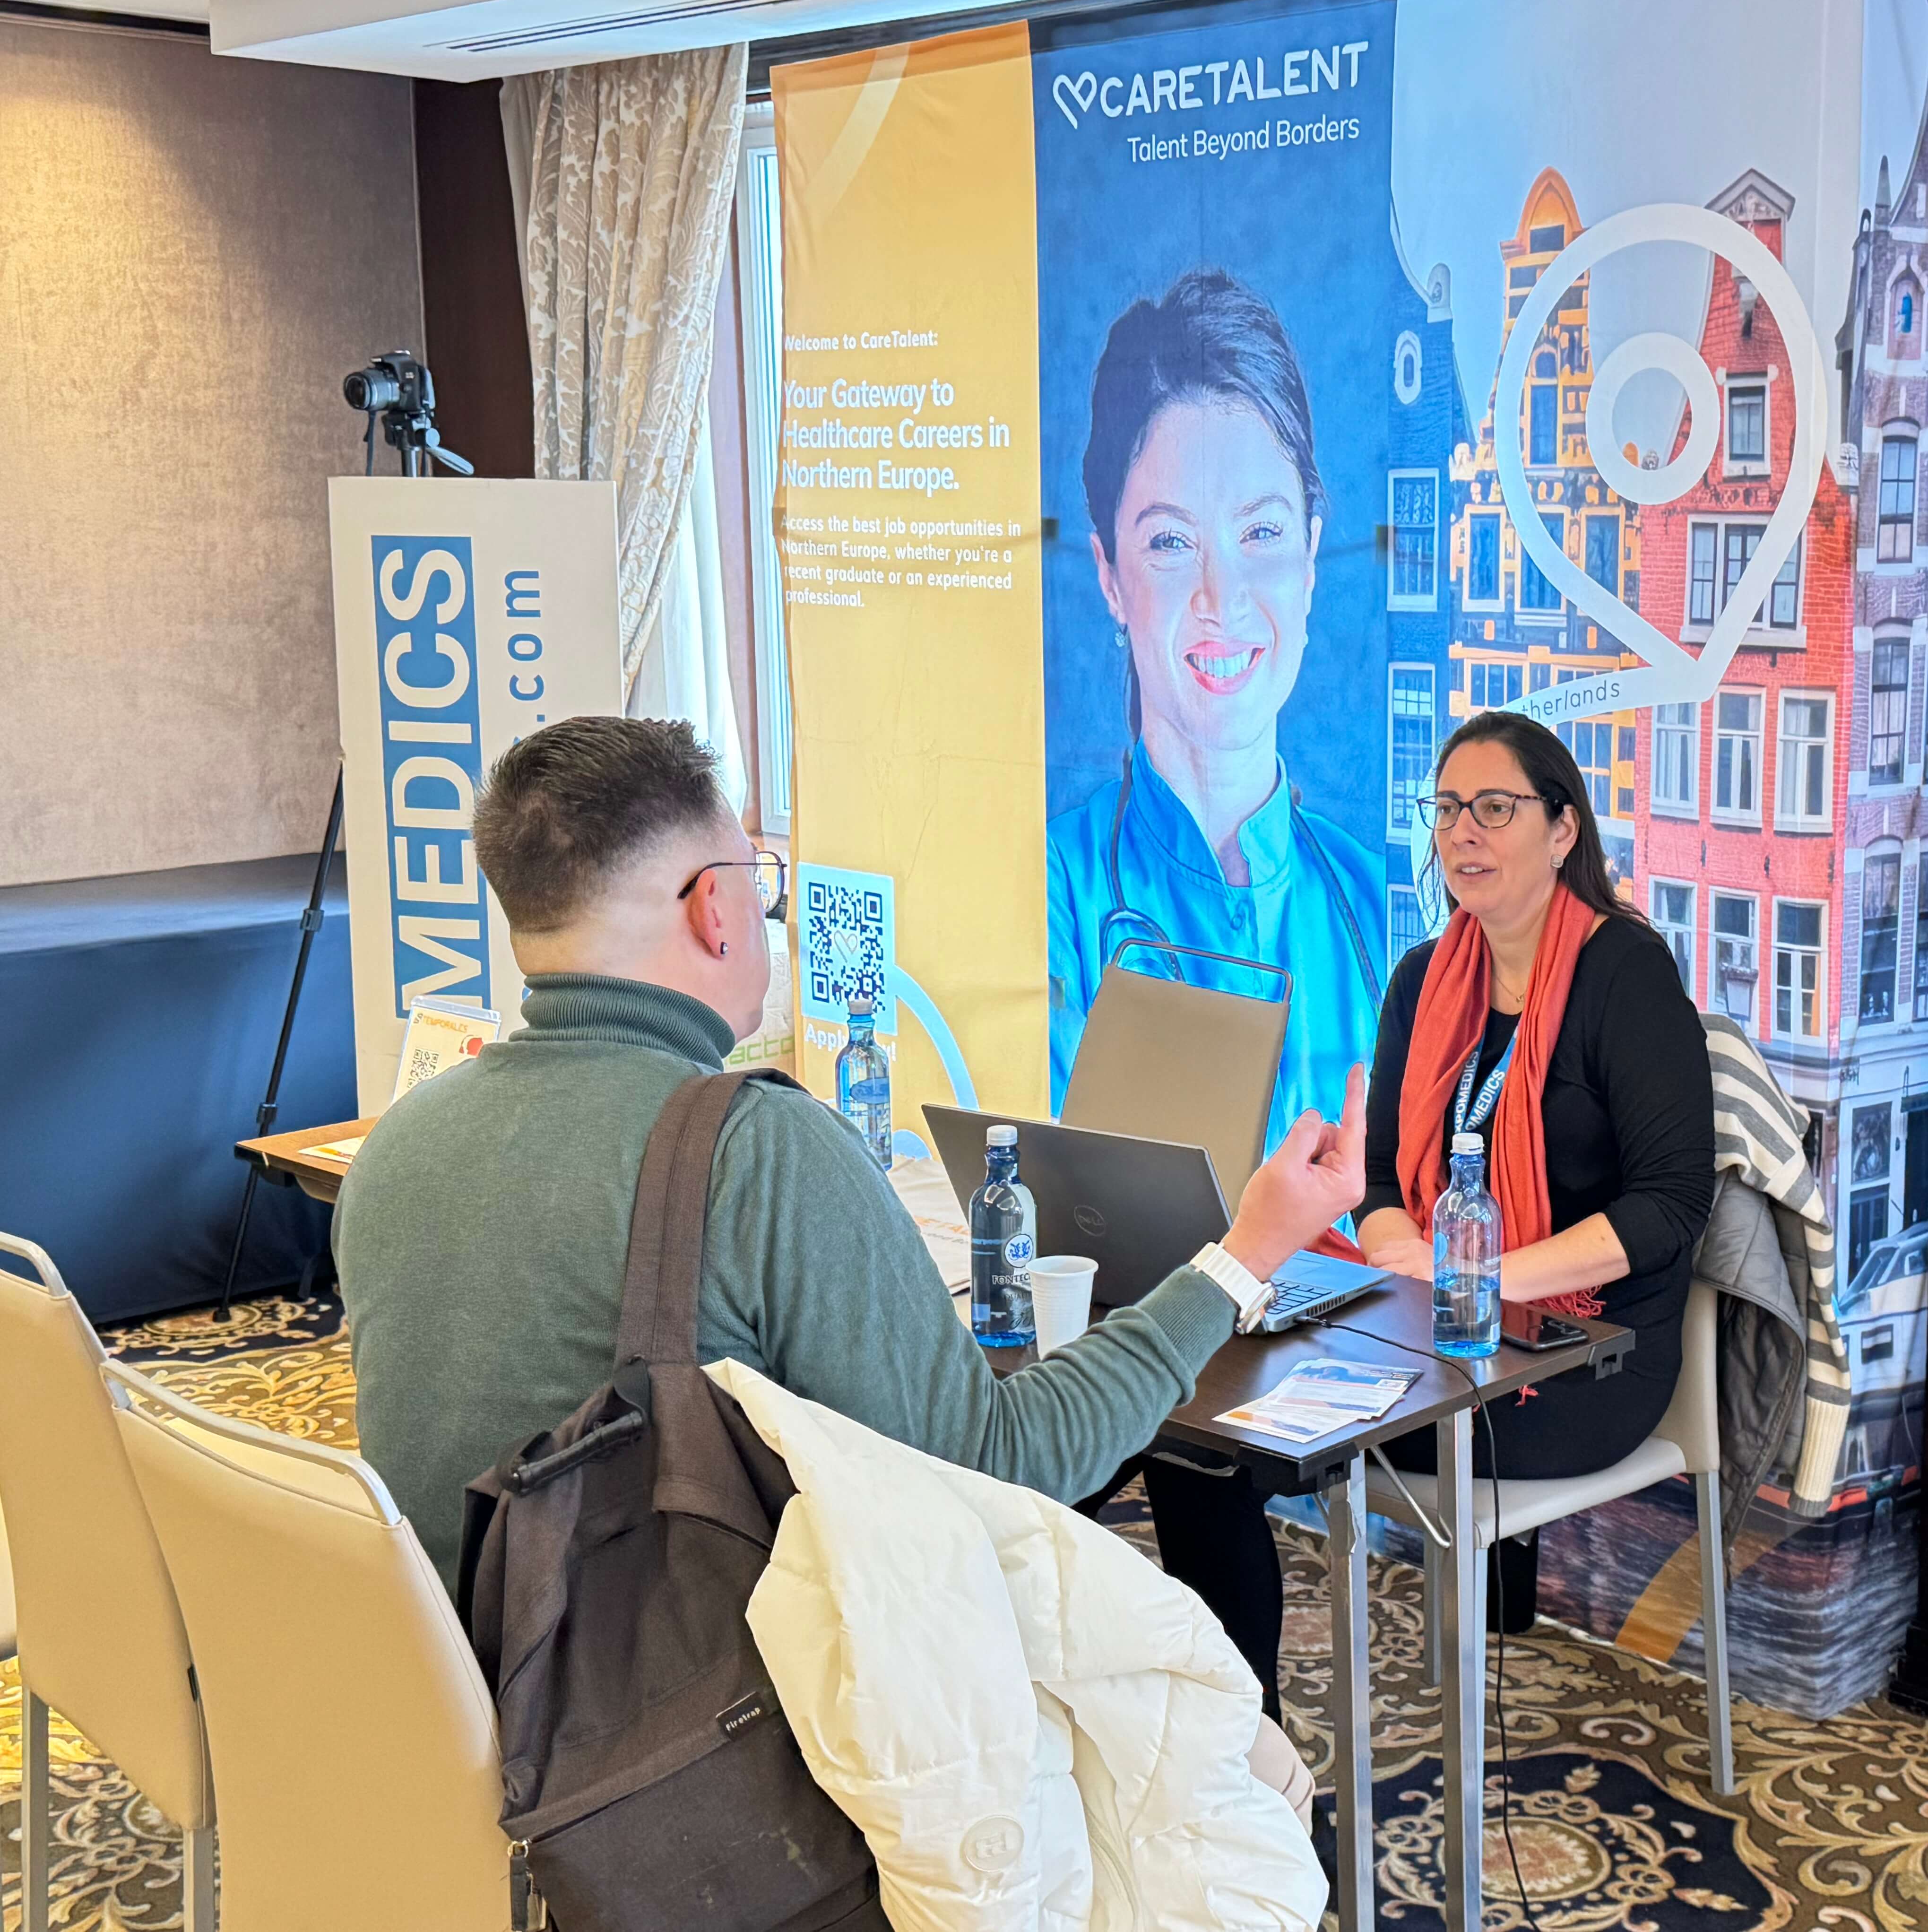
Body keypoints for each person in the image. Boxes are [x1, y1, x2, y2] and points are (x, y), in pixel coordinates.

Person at [334, 715, 1368, 1595]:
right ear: (713, 910)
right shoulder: (755, 1148)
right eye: (757, 879)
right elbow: (997, 1464)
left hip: (451, 1705)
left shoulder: (397, 1146)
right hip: (687, 1731)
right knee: (1221, 1736)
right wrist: (1244, 1254)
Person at [1133, 709, 1715, 1692]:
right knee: (1198, 1418)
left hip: (1585, 1356)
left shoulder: (1626, 974)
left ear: (1563, 830)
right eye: (1446, 810)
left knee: (1233, 1437)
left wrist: (1474, 1277)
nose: (1462, 834)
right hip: (1427, 1323)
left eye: (1494, 808)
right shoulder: (1424, 976)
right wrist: (1405, 1253)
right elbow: (1380, 1177)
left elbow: (1671, 1206)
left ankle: (1243, 1742)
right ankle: (1244, 1735)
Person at [1044, 267, 1385, 1160]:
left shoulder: (1381, 907)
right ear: (1109, 577)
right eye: (1170, 541)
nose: (1219, 597)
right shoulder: (1052, 893)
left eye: (1261, 533)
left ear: (1310, 558)